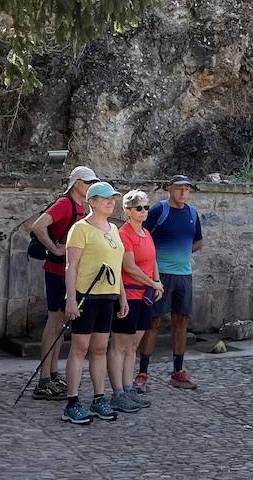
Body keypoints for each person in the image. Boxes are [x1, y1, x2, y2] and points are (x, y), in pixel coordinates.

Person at [28, 164, 96, 400]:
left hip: (68, 271)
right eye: (88, 183)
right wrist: (55, 249)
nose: (90, 187)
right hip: (57, 271)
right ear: (77, 183)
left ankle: (54, 374)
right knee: (55, 321)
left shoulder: (80, 205)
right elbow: (37, 226)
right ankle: (44, 379)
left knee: (61, 324)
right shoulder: (65, 203)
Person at [62, 181, 127, 424]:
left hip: (107, 297)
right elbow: (71, 266)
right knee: (80, 348)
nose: (111, 201)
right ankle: (72, 401)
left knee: (100, 348)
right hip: (85, 296)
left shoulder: (113, 229)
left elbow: (116, 266)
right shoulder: (80, 229)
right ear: (92, 201)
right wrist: (70, 300)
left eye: (113, 198)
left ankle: (99, 398)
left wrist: (122, 296)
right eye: (105, 198)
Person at [137, 176, 203, 391]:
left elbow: (198, 241)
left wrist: (181, 255)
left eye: (187, 189)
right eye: (179, 189)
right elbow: (142, 234)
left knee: (181, 321)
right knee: (153, 321)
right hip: (160, 275)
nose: (184, 193)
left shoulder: (192, 213)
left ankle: (178, 372)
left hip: (184, 275)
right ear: (170, 190)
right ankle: (142, 373)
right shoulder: (159, 210)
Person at [108, 189, 165, 414]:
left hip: (144, 295)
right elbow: (129, 266)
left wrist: (156, 281)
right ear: (127, 211)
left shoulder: (145, 233)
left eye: (145, 207)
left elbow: (152, 260)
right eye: (138, 208)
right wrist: (153, 283)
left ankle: (128, 387)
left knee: (133, 345)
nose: (143, 211)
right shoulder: (124, 234)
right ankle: (117, 392)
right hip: (129, 294)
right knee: (120, 344)